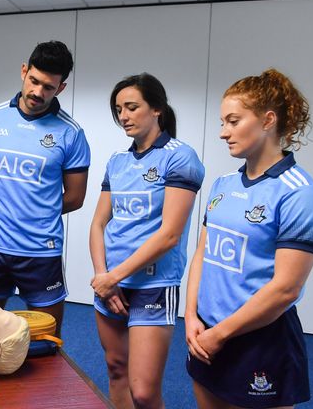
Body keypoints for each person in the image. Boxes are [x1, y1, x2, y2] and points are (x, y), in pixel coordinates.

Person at [185, 69, 313, 408]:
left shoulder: (300, 194)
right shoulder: (223, 184)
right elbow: (202, 254)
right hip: (205, 332)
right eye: (222, 122)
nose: (223, 132)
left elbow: (285, 289)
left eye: (233, 121)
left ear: (268, 120)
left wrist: (219, 334)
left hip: (259, 340)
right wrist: (191, 316)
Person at [89, 73, 204, 408]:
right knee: (115, 370)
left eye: (131, 107)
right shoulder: (118, 161)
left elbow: (169, 234)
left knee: (143, 391)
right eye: (118, 109)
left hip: (153, 284)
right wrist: (102, 277)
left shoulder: (180, 156)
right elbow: (98, 223)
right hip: (109, 284)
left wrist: (114, 276)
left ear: (156, 109)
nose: (123, 116)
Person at [0, 41, 89, 337]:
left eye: (48, 87)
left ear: (61, 88)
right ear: (23, 71)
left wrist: (35, 212)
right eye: (34, 81)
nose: (37, 92)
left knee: (46, 342)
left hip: (40, 253)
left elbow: (75, 196)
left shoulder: (71, 133)